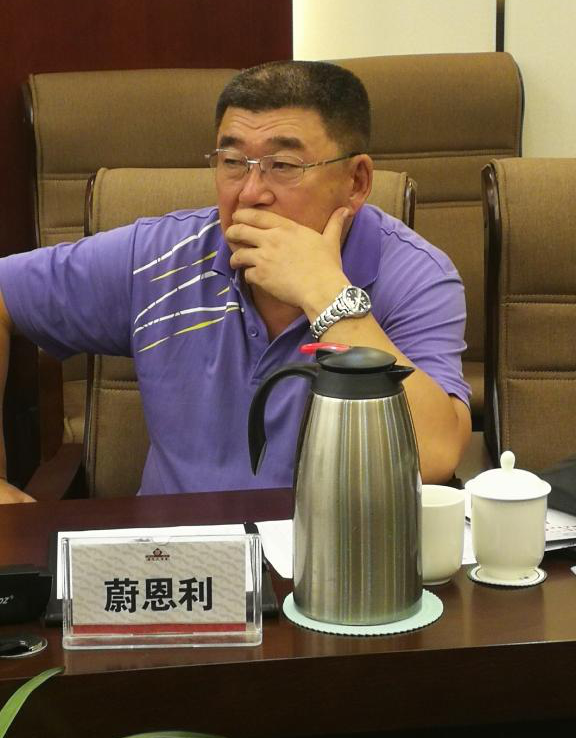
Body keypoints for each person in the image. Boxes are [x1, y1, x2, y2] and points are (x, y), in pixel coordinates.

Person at [0, 60, 471, 504]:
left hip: (329, 555)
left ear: (356, 181)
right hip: (173, 552)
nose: (250, 193)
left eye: (283, 165)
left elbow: (434, 456)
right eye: (231, 162)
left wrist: (327, 295)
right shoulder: (159, 257)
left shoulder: (414, 275)